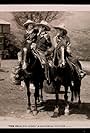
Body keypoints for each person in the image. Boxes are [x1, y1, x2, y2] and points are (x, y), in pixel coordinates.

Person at [12, 19, 39, 85]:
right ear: (27, 26)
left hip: (32, 46)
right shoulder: (25, 33)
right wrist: (23, 46)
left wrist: (33, 43)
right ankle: (19, 66)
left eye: (32, 25)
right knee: (20, 53)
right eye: (29, 25)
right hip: (25, 46)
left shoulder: (35, 32)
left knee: (34, 55)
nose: (31, 26)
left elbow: (36, 40)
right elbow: (24, 42)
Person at [35, 20, 54, 84]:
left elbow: (50, 45)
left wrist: (47, 40)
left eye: (41, 27)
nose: (39, 28)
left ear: (44, 28)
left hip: (42, 52)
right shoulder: (37, 35)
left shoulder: (47, 35)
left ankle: (47, 76)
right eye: (39, 26)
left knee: (44, 63)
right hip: (35, 50)